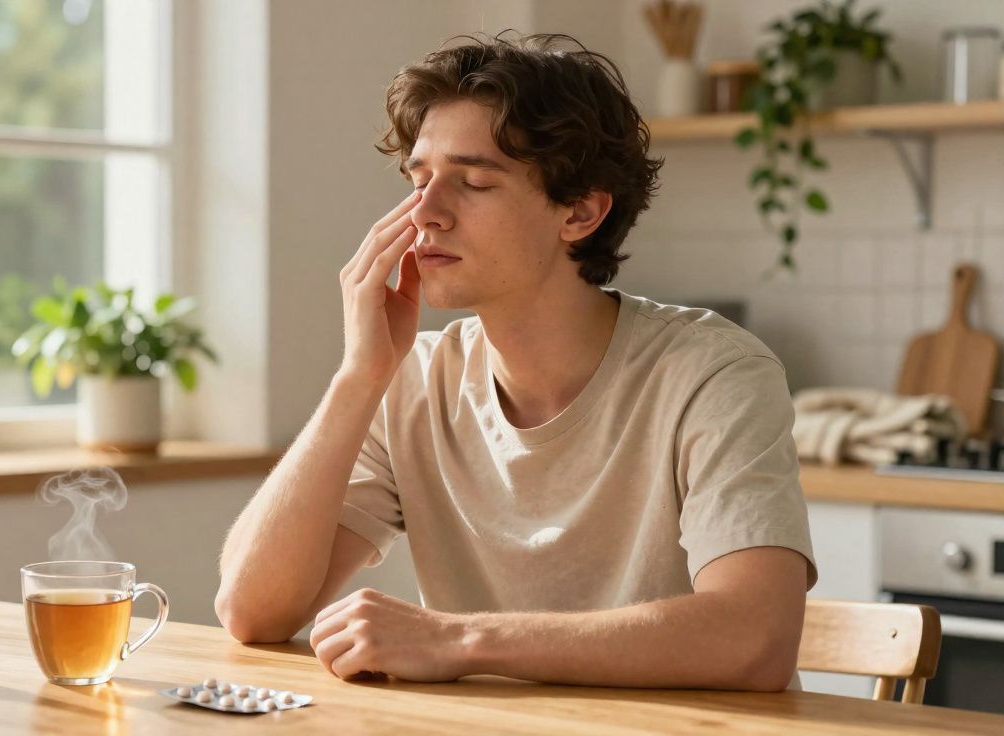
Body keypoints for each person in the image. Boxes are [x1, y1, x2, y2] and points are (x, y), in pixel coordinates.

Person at [215, 31, 816, 691]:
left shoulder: (712, 373)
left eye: (472, 183)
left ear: (580, 212)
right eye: (418, 180)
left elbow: (756, 639)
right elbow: (252, 613)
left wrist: (461, 639)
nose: (425, 215)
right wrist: (357, 377)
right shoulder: (412, 377)